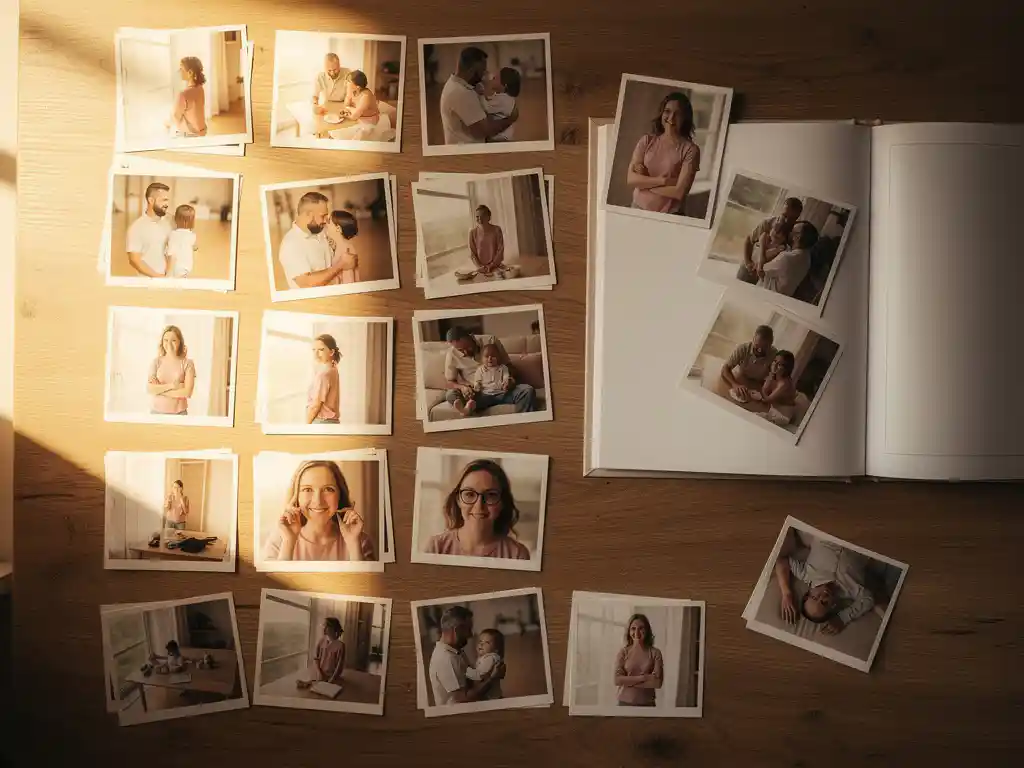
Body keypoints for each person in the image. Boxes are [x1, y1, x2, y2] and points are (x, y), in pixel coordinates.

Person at [262, 460, 376, 562]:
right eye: (307, 489)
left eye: (328, 489)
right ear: (296, 497)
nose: (318, 501)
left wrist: (353, 544)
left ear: (340, 495)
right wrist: (288, 542)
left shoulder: (360, 541)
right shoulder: (279, 540)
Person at [773, 529, 876, 636]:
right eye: (824, 602)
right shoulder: (850, 591)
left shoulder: (806, 575)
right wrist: (843, 618)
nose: (822, 596)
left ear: (808, 594)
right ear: (833, 605)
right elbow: (868, 599)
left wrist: (786, 594)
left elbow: (782, 561)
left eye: (815, 597)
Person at [425, 458, 531, 560]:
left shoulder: (517, 554)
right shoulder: (436, 548)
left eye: (490, 495)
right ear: (458, 500)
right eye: (470, 494)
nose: (479, 506)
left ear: (503, 502)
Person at [624, 92, 701, 215]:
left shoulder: (691, 150)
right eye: (667, 111)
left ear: (685, 118)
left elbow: (679, 192)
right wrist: (664, 181)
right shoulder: (646, 141)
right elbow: (631, 180)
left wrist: (644, 183)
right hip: (637, 209)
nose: (671, 118)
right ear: (661, 113)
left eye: (678, 114)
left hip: (670, 215)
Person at [442, 326, 536, 415]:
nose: (465, 352)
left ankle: (523, 425)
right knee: (450, 394)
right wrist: (463, 387)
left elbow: (509, 367)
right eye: (461, 350)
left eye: (468, 348)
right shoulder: (451, 354)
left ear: (471, 337)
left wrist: (510, 380)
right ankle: (467, 409)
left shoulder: (491, 340)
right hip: (478, 394)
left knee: (527, 390)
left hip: (503, 390)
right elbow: (449, 382)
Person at [427, 605, 506, 706]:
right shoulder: (446, 659)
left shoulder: (455, 651)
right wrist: (493, 678)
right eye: (469, 629)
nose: (471, 634)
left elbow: (469, 676)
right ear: (457, 630)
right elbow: (463, 699)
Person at [439, 47, 519, 145]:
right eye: (482, 71)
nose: (484, 74)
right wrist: (511, 119)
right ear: (472, 71)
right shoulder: (461, 93)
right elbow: (483, 131)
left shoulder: (463, 85)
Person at [278, 192, 355, 290]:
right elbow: (307, 283)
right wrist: (341, 265)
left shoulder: (320, 231)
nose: (326, 221)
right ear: (309, 215)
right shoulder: (291, 244)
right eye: (323, 216)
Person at [737, 197, 803, 284]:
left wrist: (760, 265)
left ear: (797, 218)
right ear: (781, 211)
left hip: (766, 275)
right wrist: (748, 262)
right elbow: (749, 240)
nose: (786, 220)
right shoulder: (767, 223)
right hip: (749, 265)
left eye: (791, 219)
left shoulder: (794, 234)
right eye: (785, 215)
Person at [757, 221, 820, 297]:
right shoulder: (807, 258)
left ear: (797, 237)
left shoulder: (786, 258)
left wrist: (762, 244)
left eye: (793, 231)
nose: (789, 233)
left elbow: (760, 271)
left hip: (765, 294)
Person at [614, 614, 664, 707]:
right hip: (624, 704)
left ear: (647, 630)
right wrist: (644, 678)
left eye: (641, 628)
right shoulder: (623, 652)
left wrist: (627, 681)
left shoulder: (655, 653)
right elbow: (617, 680)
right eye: (633, 628)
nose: (636, 632)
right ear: (629, 631)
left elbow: (657, 683)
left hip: (647, 705)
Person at [719, 325, 778, 404]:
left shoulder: (775, 355)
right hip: (740, 378)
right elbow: (725, 369)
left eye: (764, 348)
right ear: (753, 339)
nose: (759, 351)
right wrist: (735, 384)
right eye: (757, 346)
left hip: (759, 385)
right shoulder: (742, 348)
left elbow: (776, 379)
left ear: (771, 345)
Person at [126, 182, 172, 278]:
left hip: (170, 280)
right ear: (151, 200)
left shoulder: (171, 222)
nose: (166, 204)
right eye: (164, 200)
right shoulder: (136, 227)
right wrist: (159, 277)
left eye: (167, 200)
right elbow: (134, 260)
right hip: (148, 282)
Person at [148, 325, 195, 416]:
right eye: (166, 340)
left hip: (179, 414)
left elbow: (187, 392)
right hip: (156, 413)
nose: (169, 344)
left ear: (179, 342)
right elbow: (150, 389)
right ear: (162, 342)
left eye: (173, 340)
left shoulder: (188, 363)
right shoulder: (156, 362)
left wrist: (160, 391)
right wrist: (173, 386)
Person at [455, 205, 511, 282]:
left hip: (495, 267)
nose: (480, 219)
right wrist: (480, 267)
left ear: (489, 217)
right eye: (477, 216)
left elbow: (500, 250)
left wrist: (491, 266)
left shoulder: (497, 229)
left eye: (483, 216)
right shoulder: (472, 233)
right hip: (480, 269)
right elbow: (473, 253)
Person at [458, 344, 513, 417]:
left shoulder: (503, 368)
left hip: (501, 393)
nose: (490, 358)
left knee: (512, 393)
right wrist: (477, 385)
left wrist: (506, 383)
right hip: (486, 394)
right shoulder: (480, 369)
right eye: (487, 357)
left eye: (493, 356)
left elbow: (506, 377)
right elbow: (477, 381)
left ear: (498, 358)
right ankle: (467, 408)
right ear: (482, 359)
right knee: (476, 398)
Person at [297, 618, 346, 690]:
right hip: (318, 672)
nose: (324, 628)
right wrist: (319, 672)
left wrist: (332, 679)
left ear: (332, 628)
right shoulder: (321, 641)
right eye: (323, 626)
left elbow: (339, 666)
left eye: (326, 626)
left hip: (331, 676)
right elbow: (316, 658)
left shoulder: (340, 645)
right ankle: (308, 683)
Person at [476, 67, 521, 142]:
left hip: (500, 138)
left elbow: (486, 108)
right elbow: (490, 100)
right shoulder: (504, 97)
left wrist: (480, 94)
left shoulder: (503, 99)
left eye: (495, 78)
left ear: (504, 85)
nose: (491, 80)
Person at [167, 56, 208, 137]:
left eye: (181, 69)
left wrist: (167, 124)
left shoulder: (184, 94)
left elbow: (176, 116)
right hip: (202, 131)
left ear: (190, 73)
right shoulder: (200, 88)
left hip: (191, 134)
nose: (179, 71)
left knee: (167, 126)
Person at [307, 334, 341, 425]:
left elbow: (315, 406)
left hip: (321, 422)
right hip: (332, 422)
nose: (316, 354)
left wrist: (306, 426)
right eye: (314, 350)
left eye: (321, 350)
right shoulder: (333, 369)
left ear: (331, 352)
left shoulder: (323, 374)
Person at [464, 629, 504, 700]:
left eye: (487, 642)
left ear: (496, 649)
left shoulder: (490, 658)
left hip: (490, 698)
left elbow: (479, 675)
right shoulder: (485, 658)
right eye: (480, 641)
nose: (481, 644)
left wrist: (465, 670)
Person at [323, 210, 361, 284]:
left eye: (329, 221)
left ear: (338, 229)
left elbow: (349, 279)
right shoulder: (338, 246)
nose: (326, 224)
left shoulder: (346, 250)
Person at [165, 204, 198, 278]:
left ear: (175, 219)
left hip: (174, 267)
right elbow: (194, 247)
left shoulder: (172, 234)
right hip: (187, 267)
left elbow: (170, 252)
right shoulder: (192, 236)